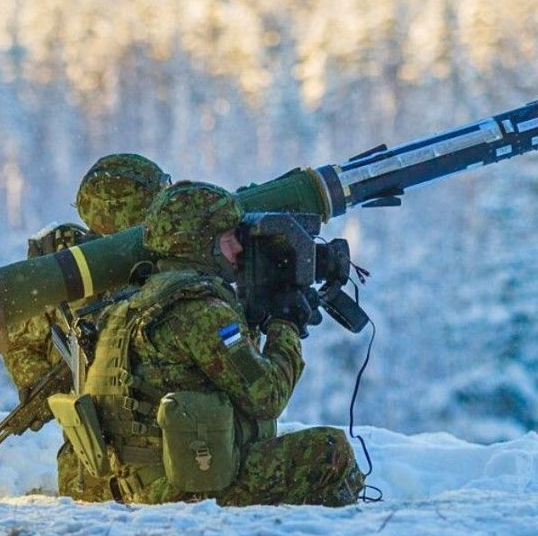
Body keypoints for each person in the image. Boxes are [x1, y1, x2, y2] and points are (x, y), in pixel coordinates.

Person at [76, 181, 364, 506]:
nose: (238, 249)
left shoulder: (131, 302)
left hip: (134, 482)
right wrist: (286, 325)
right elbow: (268, 396)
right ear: (202, 246)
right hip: (181, 488)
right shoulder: (200, 311)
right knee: (329, 451)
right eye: (228, 239)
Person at [1, 153, 171, 502]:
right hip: (134, 472)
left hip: (104, 474)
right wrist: (52, 383)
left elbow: (19, 341)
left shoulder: (67, 270)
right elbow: (21, 344)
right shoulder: (68, 272)